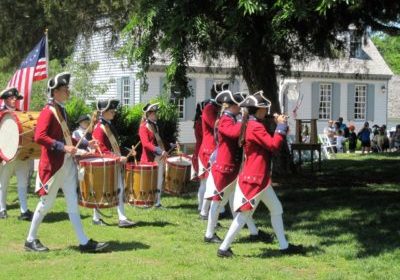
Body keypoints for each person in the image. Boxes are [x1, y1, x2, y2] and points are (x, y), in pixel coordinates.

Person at [25, 72, 108, 252]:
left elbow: (66, 136)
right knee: (46, 204)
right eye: (64, 89)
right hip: (54, 166)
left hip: (66, 164)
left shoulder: (60, 109)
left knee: (72, 202)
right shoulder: (48, 111)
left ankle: (84, 242)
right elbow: (40, 137)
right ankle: (30, 240)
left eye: (67, 89)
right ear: (55, 92)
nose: (67, 92)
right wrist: (63, 148)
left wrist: (86, 142)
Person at [217, 91, 303, 258]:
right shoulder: (255, 126)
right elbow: (273, 145)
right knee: (244, 215)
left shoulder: (252, 123)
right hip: (254, 178)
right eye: (264, 109)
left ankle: (284, 246)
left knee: (276, 209)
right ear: (258, 110)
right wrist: (281, 126)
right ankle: (223, 248)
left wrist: (279, 124)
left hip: (260, 178)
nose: (266, 111)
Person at [203, 90, 271, 244]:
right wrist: (244, 120)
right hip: (224, 168)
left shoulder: (234, 118)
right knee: (217, 201)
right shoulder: (225, 120)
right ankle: (208, 234)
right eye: (238, 106)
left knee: (241, 204)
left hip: (234, 168)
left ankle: (254, 232)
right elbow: (234, 133)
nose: (241, 109)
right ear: (232, 106)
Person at [91, 99, 137, 227]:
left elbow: (115, 146)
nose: (114, 113)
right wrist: (118, 158)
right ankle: (119, 218)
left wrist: (127, 151)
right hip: (105, 163)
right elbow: (101, 149)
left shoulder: (107, 125)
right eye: (111, 111)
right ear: (103, 112)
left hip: (112, 162)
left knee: (117, 189)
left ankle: (100, 218)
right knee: (106, 189)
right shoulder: (99, 128)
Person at [0, 87, 33, 221]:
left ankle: (24, 211)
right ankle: (2, 209)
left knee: (22, 182)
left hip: (21, 153)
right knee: (4, 182)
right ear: (6, 98)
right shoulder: (0, 113)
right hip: (6, 155)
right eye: (12, 98)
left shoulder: (21, 114)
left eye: (16, 98)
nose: (15, 100)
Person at [198, 83, 225, 219]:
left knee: (215, 181)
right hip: (209, 149)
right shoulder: (209, 108)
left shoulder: (218, 108)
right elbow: (216, 126)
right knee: (207, 181)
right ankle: (202, 209)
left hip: (216, 148)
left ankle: (219, 209)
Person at [139, 102, 173, 207]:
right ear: (148, 114)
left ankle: (157, 202)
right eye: (153, 113)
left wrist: (170, 144)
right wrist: (160, 151)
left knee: (159, 180)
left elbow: (159, 140)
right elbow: (146, 144)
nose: (155, 115)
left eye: (155, 113)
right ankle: (146, 202)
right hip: (150, 158)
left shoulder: (155, 126)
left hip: (159, 156)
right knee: (149, 181)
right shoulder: (143, 127)